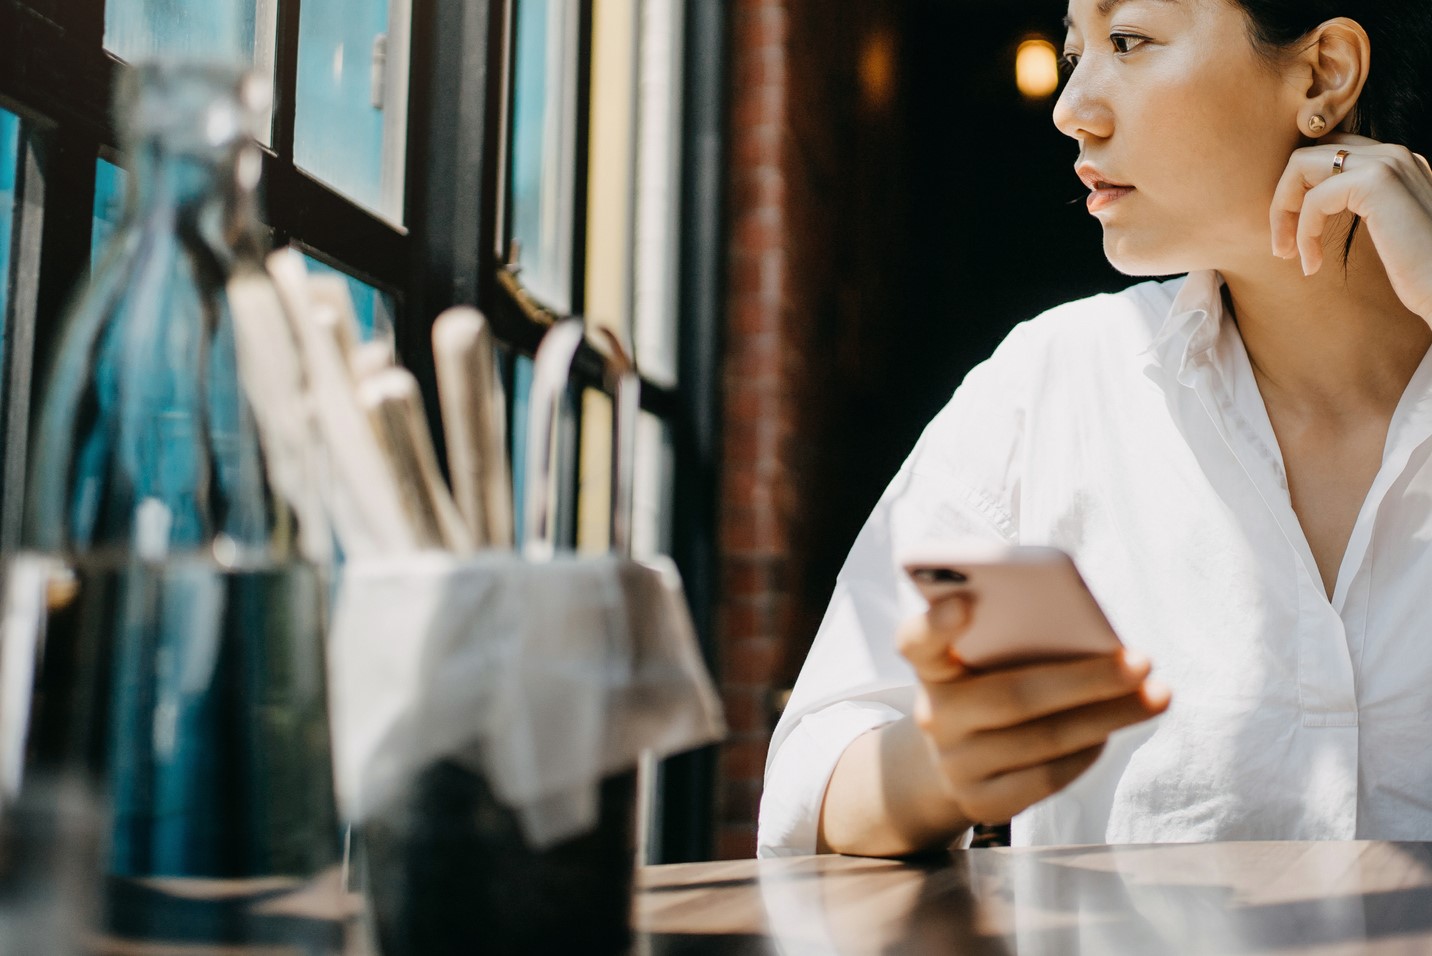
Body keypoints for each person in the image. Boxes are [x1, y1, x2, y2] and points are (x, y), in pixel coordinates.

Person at [758, 0, 1432, 858]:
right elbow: (813, 774)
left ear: (1323, 72)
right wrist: (945, 767)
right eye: (1076, 51)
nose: (1071, 106)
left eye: (1128, 41)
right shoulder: (1055, 385)